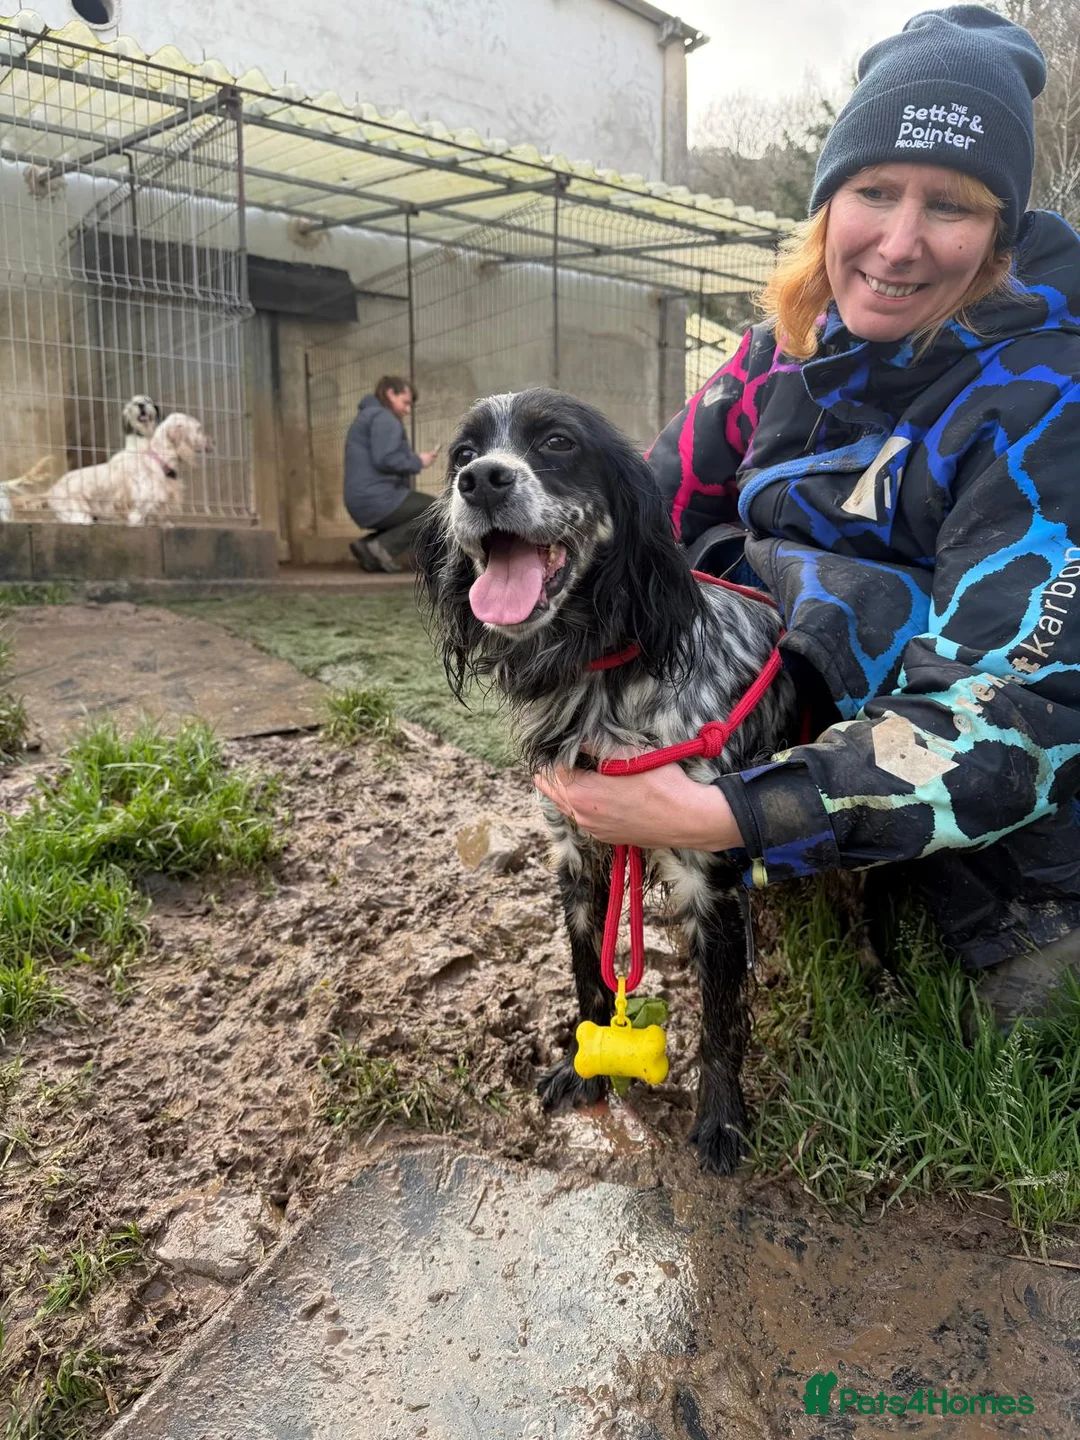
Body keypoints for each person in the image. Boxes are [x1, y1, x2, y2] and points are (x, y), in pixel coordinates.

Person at [535, 5, 1080, 1025]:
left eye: (950, 207)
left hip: (984, 808)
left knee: (999, 1022)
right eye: (873, 191)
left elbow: (1019, 711)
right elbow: (639, 521)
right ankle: (794, 851)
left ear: (1000, 233)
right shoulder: (777, 354)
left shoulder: (1052, 404)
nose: (900, 243)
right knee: (720, 554)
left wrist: (719, 812)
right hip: (781, 747)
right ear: (830, 198)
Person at [343, 376, 440, 572]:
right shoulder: (384, 418)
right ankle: (383, 547)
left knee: (414, 510)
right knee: (438, 510)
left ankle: (368, 546)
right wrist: (418, 461)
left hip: (361, 499)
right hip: (377, 498)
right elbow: (385, 458)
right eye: (405, 402)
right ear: (390, 393)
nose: (407, 410)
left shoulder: (369, 417)